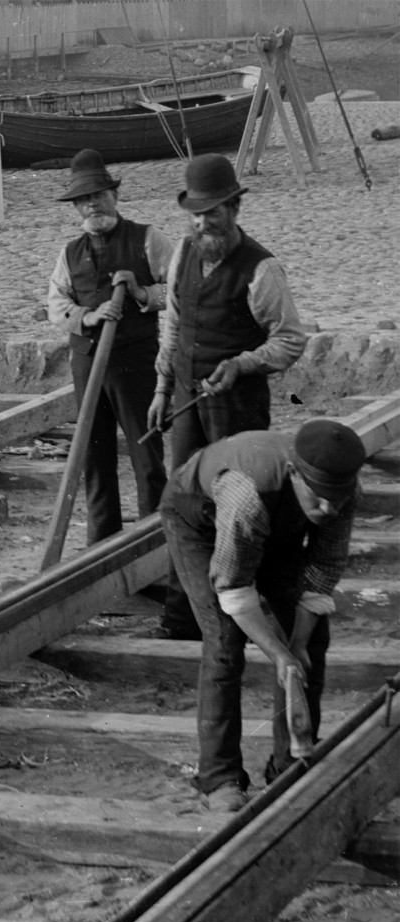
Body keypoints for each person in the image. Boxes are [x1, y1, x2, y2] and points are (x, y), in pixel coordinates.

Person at [159, 419, 367, 812]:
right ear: (294, 474)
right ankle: (218, 777)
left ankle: (291, 760)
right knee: (224, 641)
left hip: (273, 526)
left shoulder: (342, 491)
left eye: (337, 500)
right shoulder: (245, 496)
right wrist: (279, 654)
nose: (329, 508)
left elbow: (321, 572)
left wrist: (298, 645)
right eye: (320, 498)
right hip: (199, 520)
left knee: (311, 638)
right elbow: (234, 588)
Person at [147, 153, 307, 639]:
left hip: (237, 406)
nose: (203, 222)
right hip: (187, 403)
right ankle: (184, 619)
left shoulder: (262, 269)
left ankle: (242, 615)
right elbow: (173, 323)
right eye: (195, 213)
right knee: (183, 499)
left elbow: (290, 340)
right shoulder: (183, 254)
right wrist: (161, 388)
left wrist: (242, 364)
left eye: (213, 212)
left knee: (238, 507)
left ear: (234, 208)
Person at [48, 148, 174, 545]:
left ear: (114, 196)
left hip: (135, 361)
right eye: (84, 200)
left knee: (146, 454)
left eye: (98, 195)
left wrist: (142, 292)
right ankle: (101, 546)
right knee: (94, 457)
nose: (92, 205)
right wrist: (87, 316)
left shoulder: (148, 239)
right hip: (88, 364)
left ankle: (155, 544)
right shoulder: (69, 254)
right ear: (75, 209)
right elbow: (56, 305)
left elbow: (180, 290)